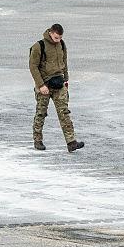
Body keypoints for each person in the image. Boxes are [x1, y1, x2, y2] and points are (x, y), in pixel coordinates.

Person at [28, 24, 82, 152]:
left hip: (59, 84)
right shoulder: (39, 46)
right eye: (56, 37)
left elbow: (64, 63)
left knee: (64, 113)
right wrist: (41, 85)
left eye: (60, 38)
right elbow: (33, 66)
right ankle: (38, 140)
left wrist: (66, 79)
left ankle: (71, 142)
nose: (58, 40)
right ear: (50, 33)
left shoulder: (62, 45)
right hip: (44, 85)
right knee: (41, 113)